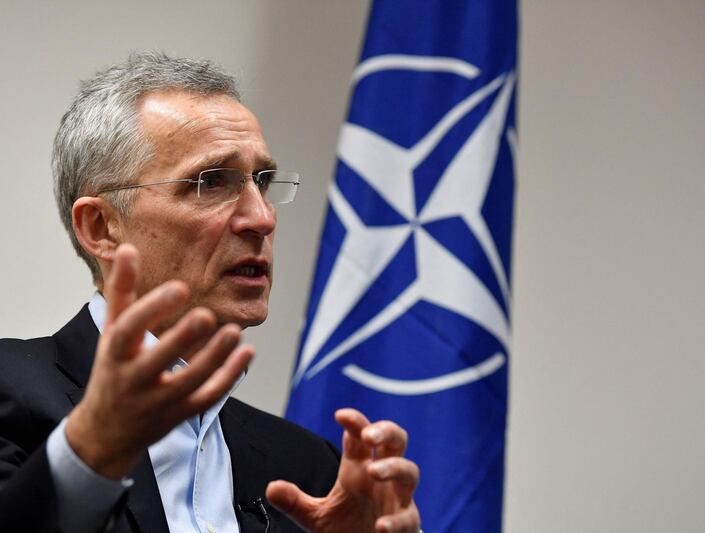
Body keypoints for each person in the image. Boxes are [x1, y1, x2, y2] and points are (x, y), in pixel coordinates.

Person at [0, 52, 421, 533]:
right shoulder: (10, 393)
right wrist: (91, 453)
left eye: (262, 181)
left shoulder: (308, 467)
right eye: (212, 182)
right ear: (101, 227)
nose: (262, 217)